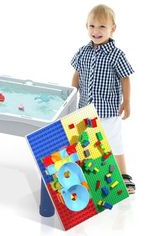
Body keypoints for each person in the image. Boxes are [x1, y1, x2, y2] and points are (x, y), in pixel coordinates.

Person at [71, 4, 135, 194]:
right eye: (92, 26)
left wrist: (127, 102)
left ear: (112, 28)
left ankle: (123, 175)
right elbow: (77, 75)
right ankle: (91, 174)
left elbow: (126, 78)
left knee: (113, 142)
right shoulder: (83, 51)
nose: (96, 31)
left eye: (101, 27)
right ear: (86, 26)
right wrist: (72, 94)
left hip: (107, 110)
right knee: (86, 142)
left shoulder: (116, 55)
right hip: (84, 108)